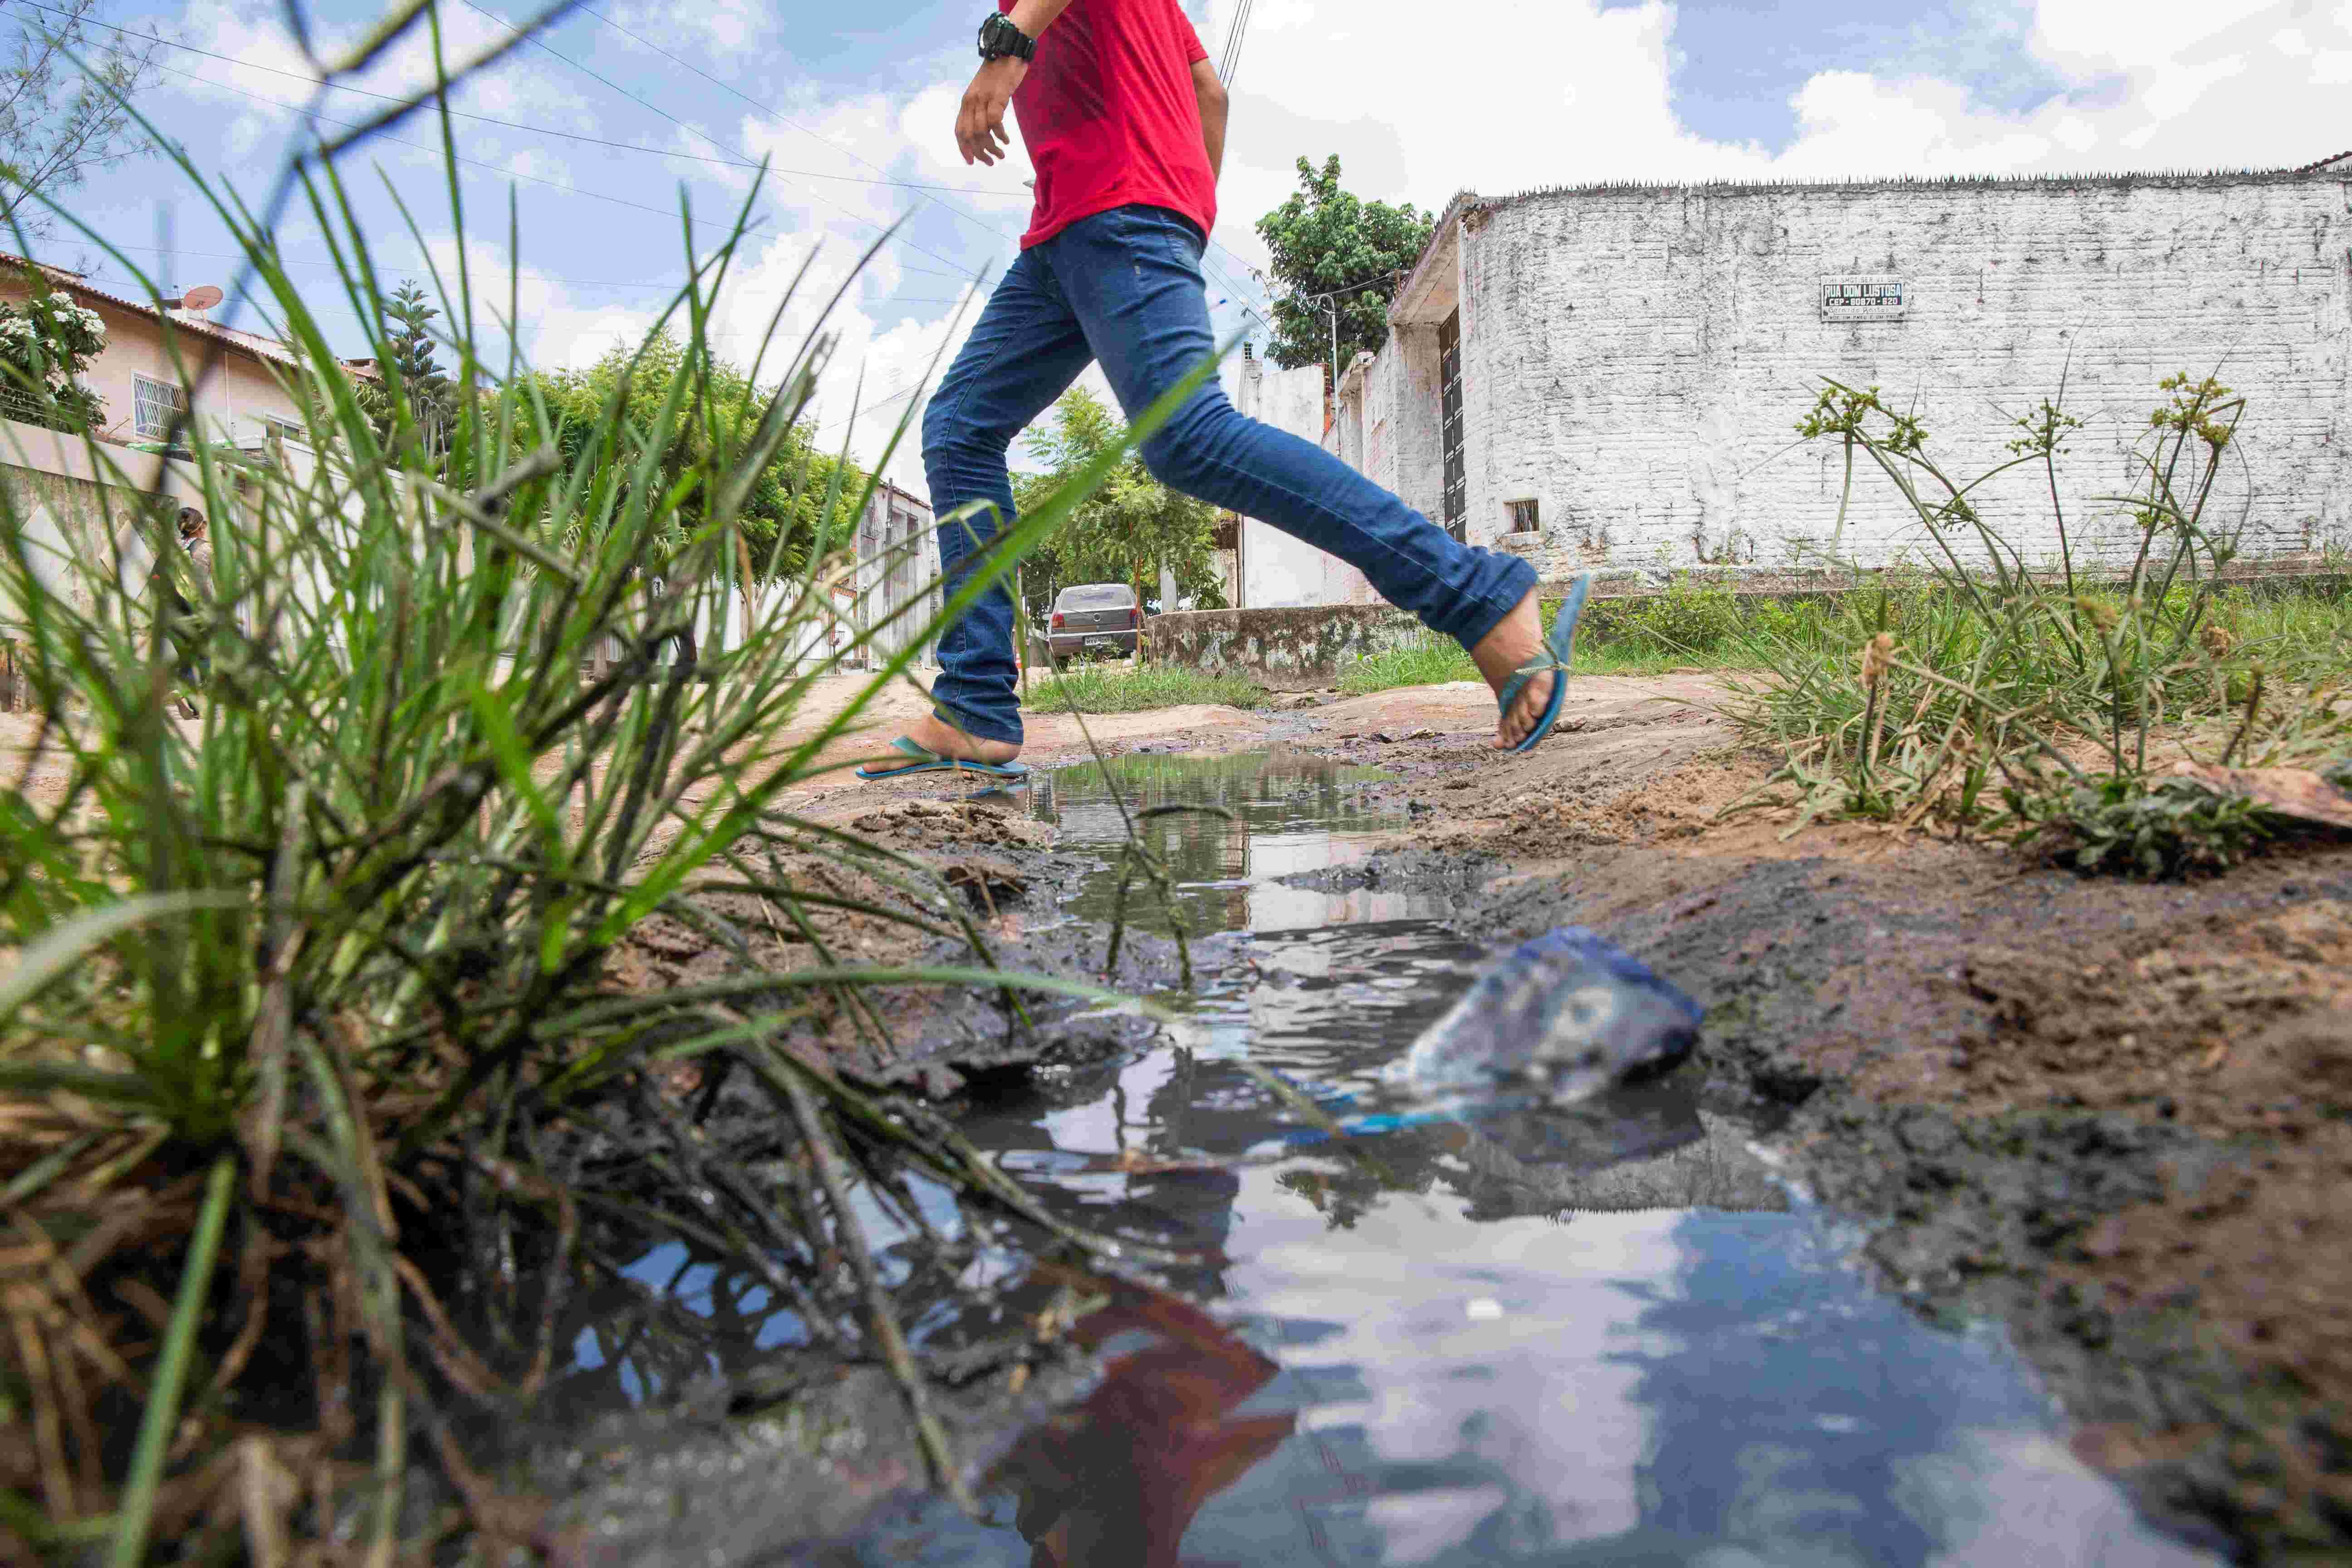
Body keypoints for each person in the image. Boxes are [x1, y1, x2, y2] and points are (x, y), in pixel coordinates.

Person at [858, 0, 1588, 784]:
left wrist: (1008, 48)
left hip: (1119, 210)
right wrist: (1190, 208)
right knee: (960, 430)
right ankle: (974, 706)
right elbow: (1211, 93)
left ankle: (1479, 593)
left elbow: (1203, 91)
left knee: (1188, 439)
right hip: (1071, 231)